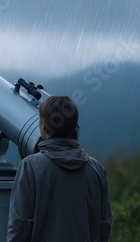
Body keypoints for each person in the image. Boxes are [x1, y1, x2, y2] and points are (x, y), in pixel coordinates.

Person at [6, 96, 112, 242]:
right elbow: (103, 227)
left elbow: (19, 227)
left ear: (43, 126)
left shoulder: (30, 166)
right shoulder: (97, 169)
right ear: (75, 128)